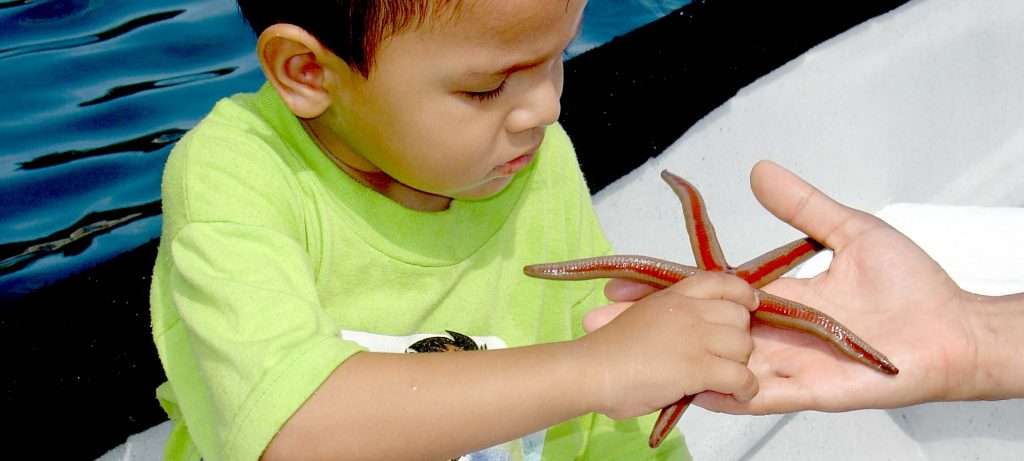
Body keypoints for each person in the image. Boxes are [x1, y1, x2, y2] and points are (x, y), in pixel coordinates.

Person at [149, 1, 762, 460]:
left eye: (559, 58)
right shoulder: (238, 172)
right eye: (486, 87)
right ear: (309, 72)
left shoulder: (530, 153)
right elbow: (292, 429)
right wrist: (598, 368)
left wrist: (617, 367)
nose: (545, 107)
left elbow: (609, 411)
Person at [600, 160, 1024, 415]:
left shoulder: (734, 287)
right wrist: (973, 336)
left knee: (696, 359)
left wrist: (973, 340)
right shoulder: (740, 286)